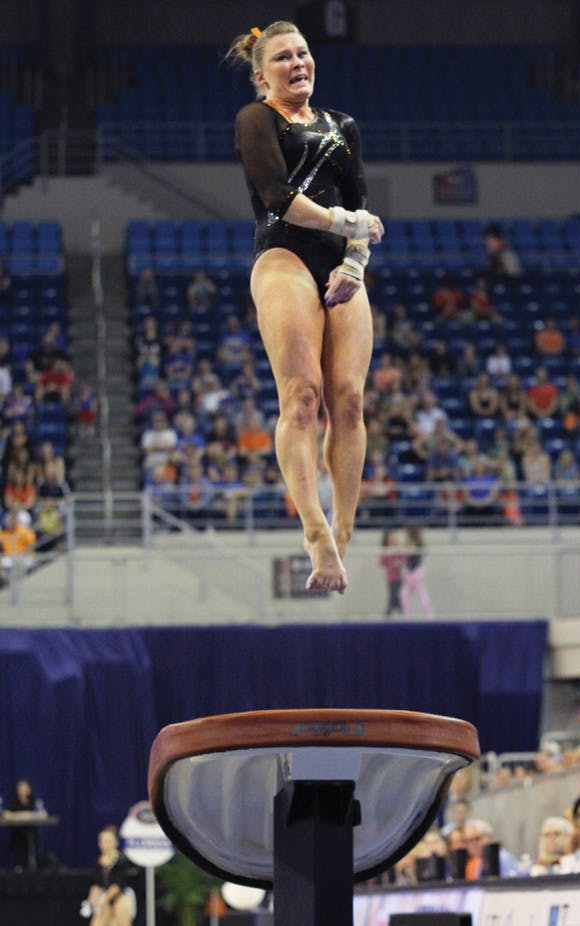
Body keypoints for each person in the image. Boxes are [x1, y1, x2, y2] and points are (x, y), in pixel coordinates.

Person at [229, 21, 384, 593]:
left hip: (341, 263)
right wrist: (349, 225)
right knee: (302, 397)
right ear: (260, 74)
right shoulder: (257, 120)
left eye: (303, 53)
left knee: (348, 398)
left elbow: (361, 198)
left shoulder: (342, 125)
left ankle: (342, 531)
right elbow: (278, 199)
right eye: (283, 58)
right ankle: (313, 530)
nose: (297, 63)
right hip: (284, 256)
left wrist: (355, 263)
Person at [81, 826, 136, 926]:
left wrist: (104, 899)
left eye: (108, 840)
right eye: (102, 840)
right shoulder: (98, 862)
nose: (105, 843)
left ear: (115, 843)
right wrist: (90, 901)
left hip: (120, 898)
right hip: (104, 898)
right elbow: (96, 884)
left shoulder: (121, 860)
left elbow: (118, 884)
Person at [3, 779, 39, 869]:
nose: (22, 791)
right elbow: (6, 814)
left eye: (24, 789)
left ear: (29, 790)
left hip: (30, 833)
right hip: (17, 833)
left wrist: (18, 815)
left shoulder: (33, 801)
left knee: (31, 838)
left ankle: (32, 867)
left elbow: (42, 813)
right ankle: (17, 868)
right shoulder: (14, 801)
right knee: (17, 840)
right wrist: (26, 815)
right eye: (20, 789)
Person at [400, 526, 434, 618]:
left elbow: (410, 550)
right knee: (404, 595)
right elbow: (405, 555)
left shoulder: (417, 542)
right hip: (410, 572)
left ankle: (429, 617)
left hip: (417, 572)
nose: (405, 533)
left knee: (422, 595)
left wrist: (403, 549)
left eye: (407, 531)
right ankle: (406, 618)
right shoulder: (409, 541)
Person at [378, 529, 405, 617]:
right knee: (392, 594)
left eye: (392, 537)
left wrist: (398, 563)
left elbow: (404, 560)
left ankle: (396, 611)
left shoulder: (398, 548)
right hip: (390, 576)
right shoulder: (386, 549)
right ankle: (394, 610)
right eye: (389, 537)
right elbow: (381, 562)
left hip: (398, 576)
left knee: (397, 595)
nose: (391, 539)